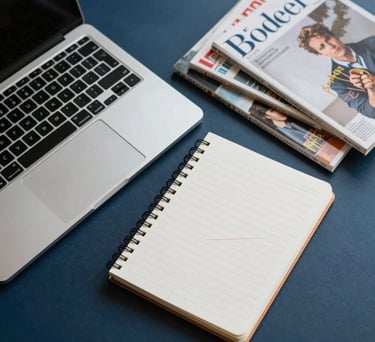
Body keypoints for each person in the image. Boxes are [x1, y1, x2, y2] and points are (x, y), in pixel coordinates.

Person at [298, 23, 375, 118]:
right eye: (322, 47)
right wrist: (372, 90)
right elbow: (370, 112)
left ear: (335, 35)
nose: (331, 46)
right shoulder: (337, 83)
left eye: (328, 39)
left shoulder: (372, 42)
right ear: (320, 54)